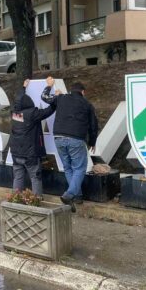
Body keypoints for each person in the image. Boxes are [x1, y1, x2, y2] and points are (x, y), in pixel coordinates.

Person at [41, 76, 98, 210]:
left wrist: (49, 86)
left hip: (58, 138)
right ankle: (69, 194)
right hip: (76, 139)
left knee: (68, 167)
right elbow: (93, 126)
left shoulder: (61, 98)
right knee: (79, 168)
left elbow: (44, 97)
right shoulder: (87, 105)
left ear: (71, 91)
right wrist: (92, 142)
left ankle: (77, 196)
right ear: (83, 92)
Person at [9, 79, 57, 195]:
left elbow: (18, 99)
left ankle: (15, 199)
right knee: (35, 177)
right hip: (30, 154)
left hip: (15, 153)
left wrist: (23, 87)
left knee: (18, 177)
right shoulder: (32, 114)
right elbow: (48, 111)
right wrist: (56, 97)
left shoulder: (14, 113)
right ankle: (36, 200)